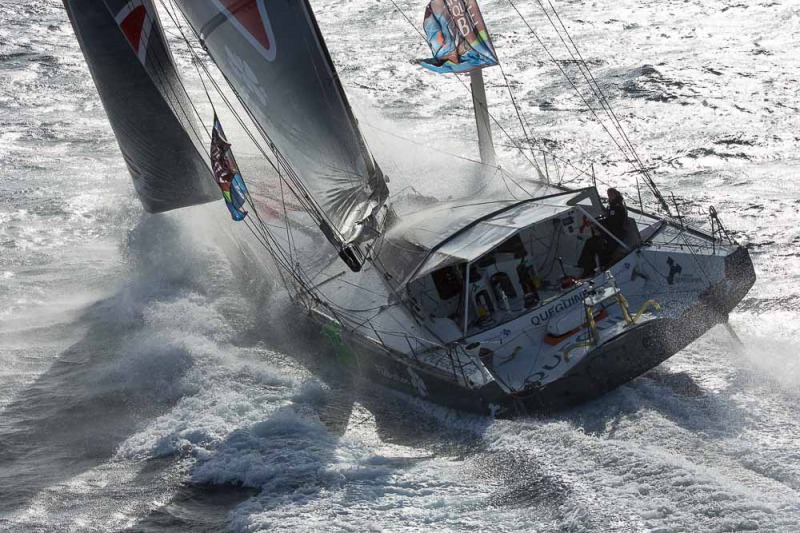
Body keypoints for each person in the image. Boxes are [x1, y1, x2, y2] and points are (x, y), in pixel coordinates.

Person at [577, 188, 628, 278]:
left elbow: (614, 224)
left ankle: (598, 268)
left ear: (616, 195)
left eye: (612, 194)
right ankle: (584, 267)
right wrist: (596, 224)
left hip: (615, 235)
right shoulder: (611, 206)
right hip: (608, 232)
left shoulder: (618, 208)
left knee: (597, 247)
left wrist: (598, 228)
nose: (610, 196)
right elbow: (607, 219)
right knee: (589, 242)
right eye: (609, 194)